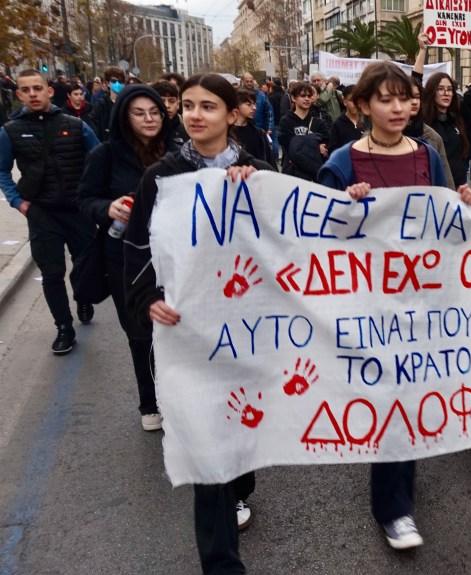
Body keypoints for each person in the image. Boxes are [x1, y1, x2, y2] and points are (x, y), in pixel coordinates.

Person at [319, 60, 471, 550]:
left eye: (404, 98)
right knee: (391, 396)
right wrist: (345, 206)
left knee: (408, 392)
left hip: (421, 299)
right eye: (384, 99)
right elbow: (317, 236)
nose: (396, 108)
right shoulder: (342, 162)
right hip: (368, 304)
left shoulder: (427, 154)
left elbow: (445, 216)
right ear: (362, 106)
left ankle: (398, 475)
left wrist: (466, 202)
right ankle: (394, 509)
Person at [124, 73, 271, 574]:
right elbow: (139, 247)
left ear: (232, 115)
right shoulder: (160, 178)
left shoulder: (258, 172)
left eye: (208, 106)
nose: (194, 115)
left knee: (241, 432)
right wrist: (148, 298)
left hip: (246, 329)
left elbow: (288, 242)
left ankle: (239, 483)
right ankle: (221, 563)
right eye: (188, 105)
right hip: (190, 330)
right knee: (209, 450)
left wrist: (257, 192)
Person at [77, 84, 177, 430]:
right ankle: (150, 403)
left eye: (155, 112)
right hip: (125, 259)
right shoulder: (105, 155)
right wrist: (108, 208)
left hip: (174, 257)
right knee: (141, 332)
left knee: (176, 327)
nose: (149, 119)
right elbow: (85, 199)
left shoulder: (178, 152)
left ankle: (179, 396)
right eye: (139, 113)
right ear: (124, 117)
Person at [0, 69, 100, 354]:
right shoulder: (10, 131)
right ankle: (64, 327)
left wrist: (92, 198)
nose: (33, 94)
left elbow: (98, 160)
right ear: (19, 94)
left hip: (77, 211)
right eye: (26, 90)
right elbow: (3, 171)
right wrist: (18, 202)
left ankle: (83, 297)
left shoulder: (76, 125)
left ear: (50, 91)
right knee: (52, 272)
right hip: (41, 212)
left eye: (38, 88)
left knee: (84, 265)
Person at [414, 32, 471, 188]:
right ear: (432, 91)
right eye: (441, 89)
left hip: (458, 189)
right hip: (433, 189)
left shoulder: (457, 119)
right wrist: (422, 50)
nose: (446, 93)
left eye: (449, 89)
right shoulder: (423, 120)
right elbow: (415, 83)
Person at [404, 80, 455, 188]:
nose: (414, 102)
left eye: (417, 97)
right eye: (409, 97)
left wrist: (451, 197)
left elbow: (445, 178)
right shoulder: (383, 134)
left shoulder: (433, 137)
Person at [278, 81, 330, 181]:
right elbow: (288, 144)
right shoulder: (286, 120)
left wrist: (300, 142)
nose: (307, 99)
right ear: (293, 98)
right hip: (292, 172)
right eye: (302, 96)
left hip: (313, 175)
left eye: (309, 96)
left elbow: (325, 144)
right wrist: (315, 145)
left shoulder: (318, 122)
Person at [233, 88, 275, 166]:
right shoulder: (226, 133)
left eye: (254, 104)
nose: (254, 108)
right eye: (249, 104)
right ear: (237, 106)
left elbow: (270, 162)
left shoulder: (259, 134)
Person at [242, 73, 276, 164]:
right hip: (242, 130)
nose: (249, 83)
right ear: (242, 81)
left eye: (251, 81)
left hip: (259, 129)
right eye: (247, 81)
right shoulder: (238, 95)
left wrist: (269, 127)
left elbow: (269, 111)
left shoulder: (261, 95)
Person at [91, 66, 127, 142]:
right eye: (114, 81)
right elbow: (94, 128)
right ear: (108, 83)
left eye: (120, 81)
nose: (117, 84)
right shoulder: (101, 105)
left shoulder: (128, 104)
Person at [151, 80, 189, 148]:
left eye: (171, 101)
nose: (167, 105)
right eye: (162, 101)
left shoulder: (187, 132)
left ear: (177, 104)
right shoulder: (147, 131)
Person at [328, 84, 364, 154]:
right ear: (344, 102)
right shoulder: (337, 124)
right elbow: (332, 149)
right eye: (352, 100)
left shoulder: (368, 122)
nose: (355, 104)